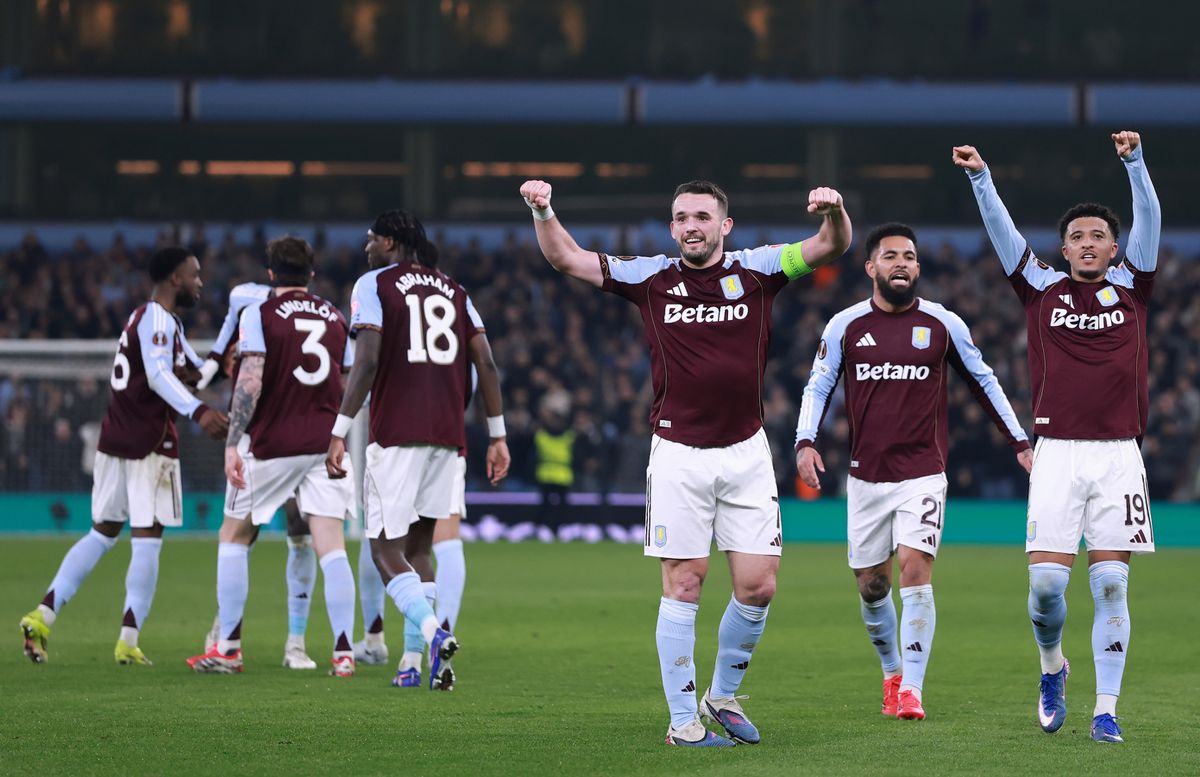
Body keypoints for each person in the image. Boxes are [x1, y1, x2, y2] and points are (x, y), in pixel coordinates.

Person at [519, 177, 851, 747]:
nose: (690, 226)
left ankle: (720, 697)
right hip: (676, 454)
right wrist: (544, 210)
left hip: (747, 451)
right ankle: (682, 723)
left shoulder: (761, 268)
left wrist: (836, 211)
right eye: (680, 218)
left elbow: (831, 246)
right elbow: (567, 258)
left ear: (725, 225)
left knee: (758, 586)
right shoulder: (650, 277)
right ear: (672, 227)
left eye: (701, 216)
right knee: (684, 584)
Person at [953, 131, 1161, 744]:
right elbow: (1002, 235)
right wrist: (980, 178)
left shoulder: (1133, 287)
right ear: (1063, 249)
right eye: (1077, 236)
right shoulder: (1040, 289)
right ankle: (1052, 667)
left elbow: (1149, 212)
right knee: (1046, 589)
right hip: (1057, 455)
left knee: (1112, 582)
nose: (1088, 243)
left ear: (1115, 247)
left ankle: (1106, 710)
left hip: (1119, 453)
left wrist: (1135, 164)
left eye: (1099, 235)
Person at [794, 222, 1033, 721]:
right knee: (871, 586)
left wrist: (1019, 442)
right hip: (865, 477)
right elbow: (817, 388)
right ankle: (892, 673)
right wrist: (805, 442)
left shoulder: (943, 324)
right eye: (890, 256)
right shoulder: (845, 326)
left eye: (908, 256)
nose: (900, 263)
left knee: (915, 570)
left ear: (919, 267)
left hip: (924, 471)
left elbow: (984, 382)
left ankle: (913, 692)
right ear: (870, 267)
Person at [326, 212, 510, 690]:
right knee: (420, 548)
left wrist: (339, 429)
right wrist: (497, 435)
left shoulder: (374, 284)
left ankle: (432, 633)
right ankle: (410, 663)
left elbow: (365, 361)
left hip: (396, 433)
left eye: (370, 240)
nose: (366, 248)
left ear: (388, 242)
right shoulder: (456, 290)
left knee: (384, 549)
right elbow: (486, 363)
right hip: (448, 436)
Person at [19, 247, 228, 665]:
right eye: (194, 275)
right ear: (174, 278)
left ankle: (41, 616)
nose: (200, 282)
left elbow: (192, 372)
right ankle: (128, 641)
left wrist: (226, 351)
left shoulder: (153, 320)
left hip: (115, 438)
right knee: (147, 541)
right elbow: (157, 374)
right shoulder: (156, 319)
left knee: (102, 533)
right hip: (150, 442)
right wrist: (198, 410)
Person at [186, 236, 358, 676]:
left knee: (233, 537)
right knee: (331, 547)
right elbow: (350, 373)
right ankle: (342, 652)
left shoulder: (259, 314)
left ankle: (227, 648)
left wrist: (232, 443)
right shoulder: (335, 317)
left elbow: (250, 381)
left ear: (269, 275)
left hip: (272, 444)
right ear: (311, 274)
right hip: (324, 443)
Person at [196, 261, 321, 670]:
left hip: (271, 437)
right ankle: (233, 630)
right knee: (251, 536)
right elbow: (219, 356)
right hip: (272, 436)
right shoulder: (261, 308)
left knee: (269, 534)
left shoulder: (264, 310)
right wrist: (197, 383)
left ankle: (268, 642)